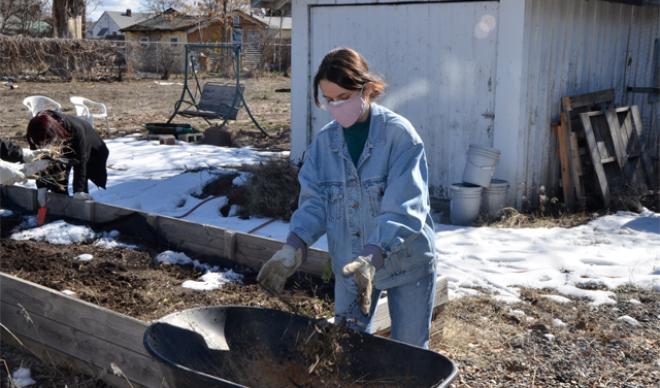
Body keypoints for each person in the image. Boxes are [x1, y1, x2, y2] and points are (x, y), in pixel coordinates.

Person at [258, 48, 437, 348]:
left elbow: (404, 209)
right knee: (346, 347)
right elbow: (314, 202)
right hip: (351, 266)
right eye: (329, 99)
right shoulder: (324, 145)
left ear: (365, 89)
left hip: (406, 262)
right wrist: (294, 245)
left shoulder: (399, 137)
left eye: (343, 97)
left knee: (411, 354)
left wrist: (374, 255)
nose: (336, 105)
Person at [26, 110, 109, 199]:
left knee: (82, 183)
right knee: (57, 179)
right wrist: (41, 186)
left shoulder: (75, 130)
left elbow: (80, 161)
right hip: (62, 143)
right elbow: (40, 160)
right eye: (41, 143)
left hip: (90, 147)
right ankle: (62, 202)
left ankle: (81, 204)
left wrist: (79, 190)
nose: (43, 145)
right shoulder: (35, 130)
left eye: (46, 142)